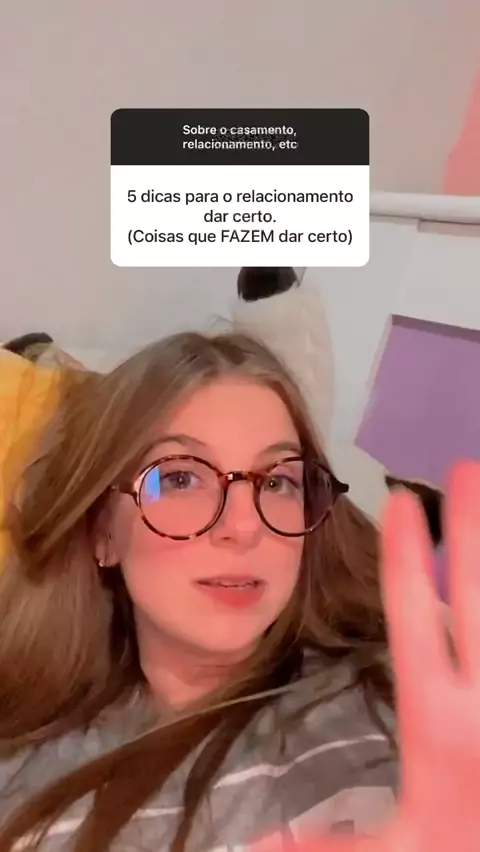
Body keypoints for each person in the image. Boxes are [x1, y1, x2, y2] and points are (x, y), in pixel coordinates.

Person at [0, 331, 397, 851]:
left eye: (277, 482)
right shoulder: (21, 761)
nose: (244, 526)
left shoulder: (388, 705)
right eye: (180, 479)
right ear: (103, 531)